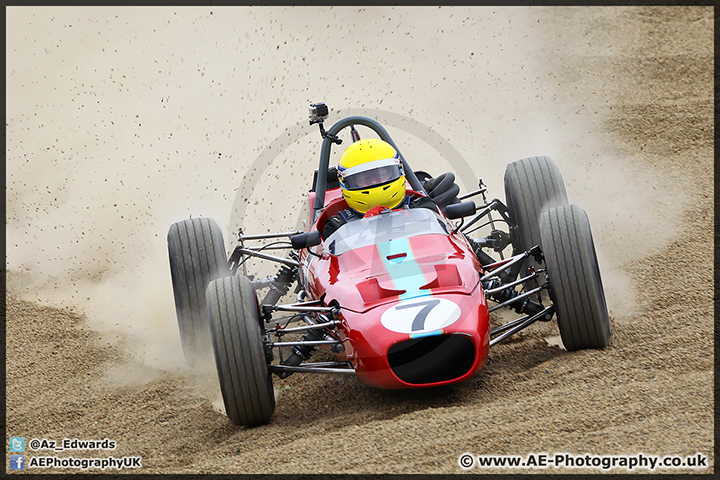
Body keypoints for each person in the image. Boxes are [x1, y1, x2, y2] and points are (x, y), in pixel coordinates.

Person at [321, 138, 442, 240]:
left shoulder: (422, 206)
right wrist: (365, 228)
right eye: (363, 178)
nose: (374, 181)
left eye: (382, 173)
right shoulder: (336, 226)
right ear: (345, 182)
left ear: (398, 170)